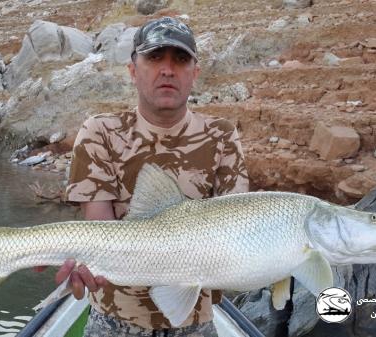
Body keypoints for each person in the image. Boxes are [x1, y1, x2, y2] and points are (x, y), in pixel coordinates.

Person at [50, 16, 249, 336]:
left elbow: (236, 234)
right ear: (132, 69)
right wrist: (89, 261)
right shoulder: (99, 132)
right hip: (113, 324)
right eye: (155, 57)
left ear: (194, 73)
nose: (168, 69)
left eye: (181, 59)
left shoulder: (222, 136)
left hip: (196, 324)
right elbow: (100, 231)